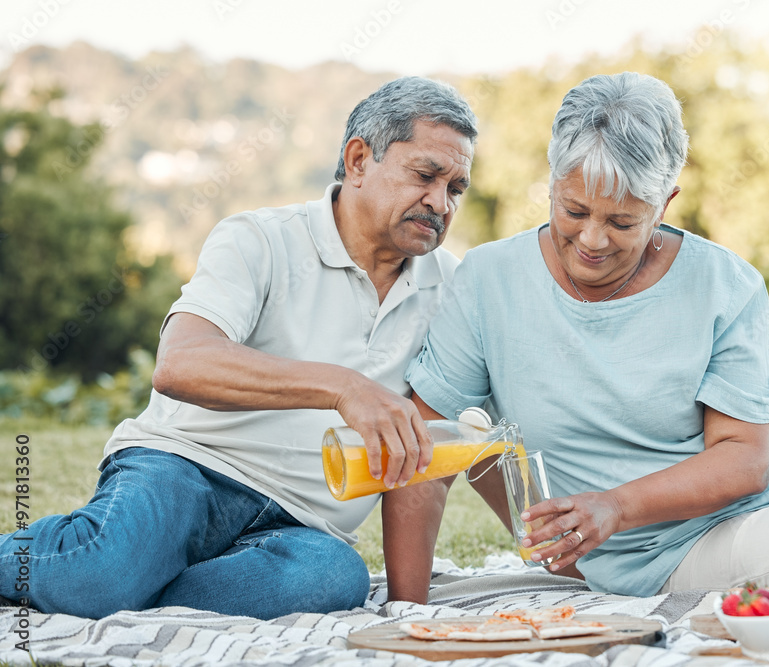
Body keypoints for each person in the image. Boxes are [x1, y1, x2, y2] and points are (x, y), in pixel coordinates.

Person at [382, 72, 769, 603]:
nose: (593, 240)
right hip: (661, 547)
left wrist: (613, 504)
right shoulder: (490, 281)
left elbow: (745, 456)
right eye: (574, 211)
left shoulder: (724, 281)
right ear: (551, 184)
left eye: (622, 220)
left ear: (664, 202)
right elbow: (428, 453)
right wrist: (406, 613)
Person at [0, 76, 477, 619]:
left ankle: (133, 584)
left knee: (333, 579)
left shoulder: (453, 290)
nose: (440, 201)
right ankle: (111, 574)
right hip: (184, 468)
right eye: (425, 176)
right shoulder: (259, 239)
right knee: (100, 577)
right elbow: (181, 364)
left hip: (302, 526)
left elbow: (425, 458)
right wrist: (342, 387)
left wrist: (409, 613)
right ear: (359, 158)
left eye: (456, 189)